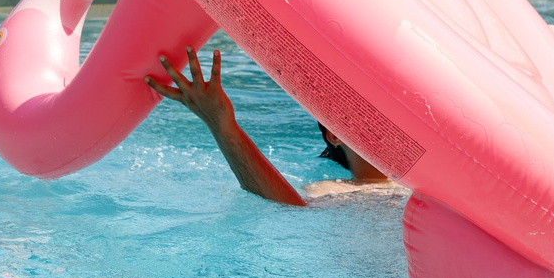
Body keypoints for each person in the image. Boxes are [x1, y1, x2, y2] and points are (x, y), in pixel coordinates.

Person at [145, 47, 394, 205]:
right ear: (335, 136)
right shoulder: (332, 191)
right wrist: (222, 126)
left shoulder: (421, 179)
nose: (379, 119)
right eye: (362, 112)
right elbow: (289, 207)